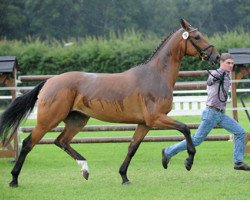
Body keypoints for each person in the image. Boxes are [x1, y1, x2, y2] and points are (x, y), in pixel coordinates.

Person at [162, 53, 250, 171]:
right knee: (196, 140)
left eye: (232, 63)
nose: (231, 65)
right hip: (211, 113)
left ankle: (238, 162)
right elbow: (209, 81)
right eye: (228, 63)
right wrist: (215, 78)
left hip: (221, 115)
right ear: (221, 62)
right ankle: (168, 151)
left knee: (240, 133)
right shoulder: (216, 73)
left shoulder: (227, 75)